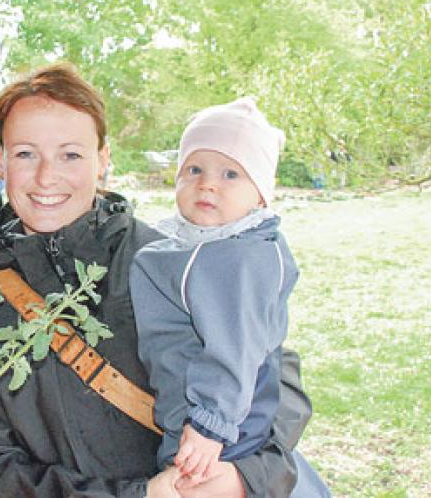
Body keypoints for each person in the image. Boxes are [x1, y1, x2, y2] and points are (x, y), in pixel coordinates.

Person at [0, 65, 315, 498]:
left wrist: (242, 480)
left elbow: (278, 384)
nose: (47, 177)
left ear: (103, 159)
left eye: (70, 155)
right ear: (1, 159)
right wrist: (142, 495)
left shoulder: (168, 260)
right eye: (26, 154)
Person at [130, 99, 330, 496]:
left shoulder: (237, 257)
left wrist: (209, 427)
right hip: (193, 419)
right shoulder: (203, 246)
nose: (208, 183)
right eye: (194, 169)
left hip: (217, 432)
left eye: (231, 173)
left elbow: (235, 350)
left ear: (260, 195)